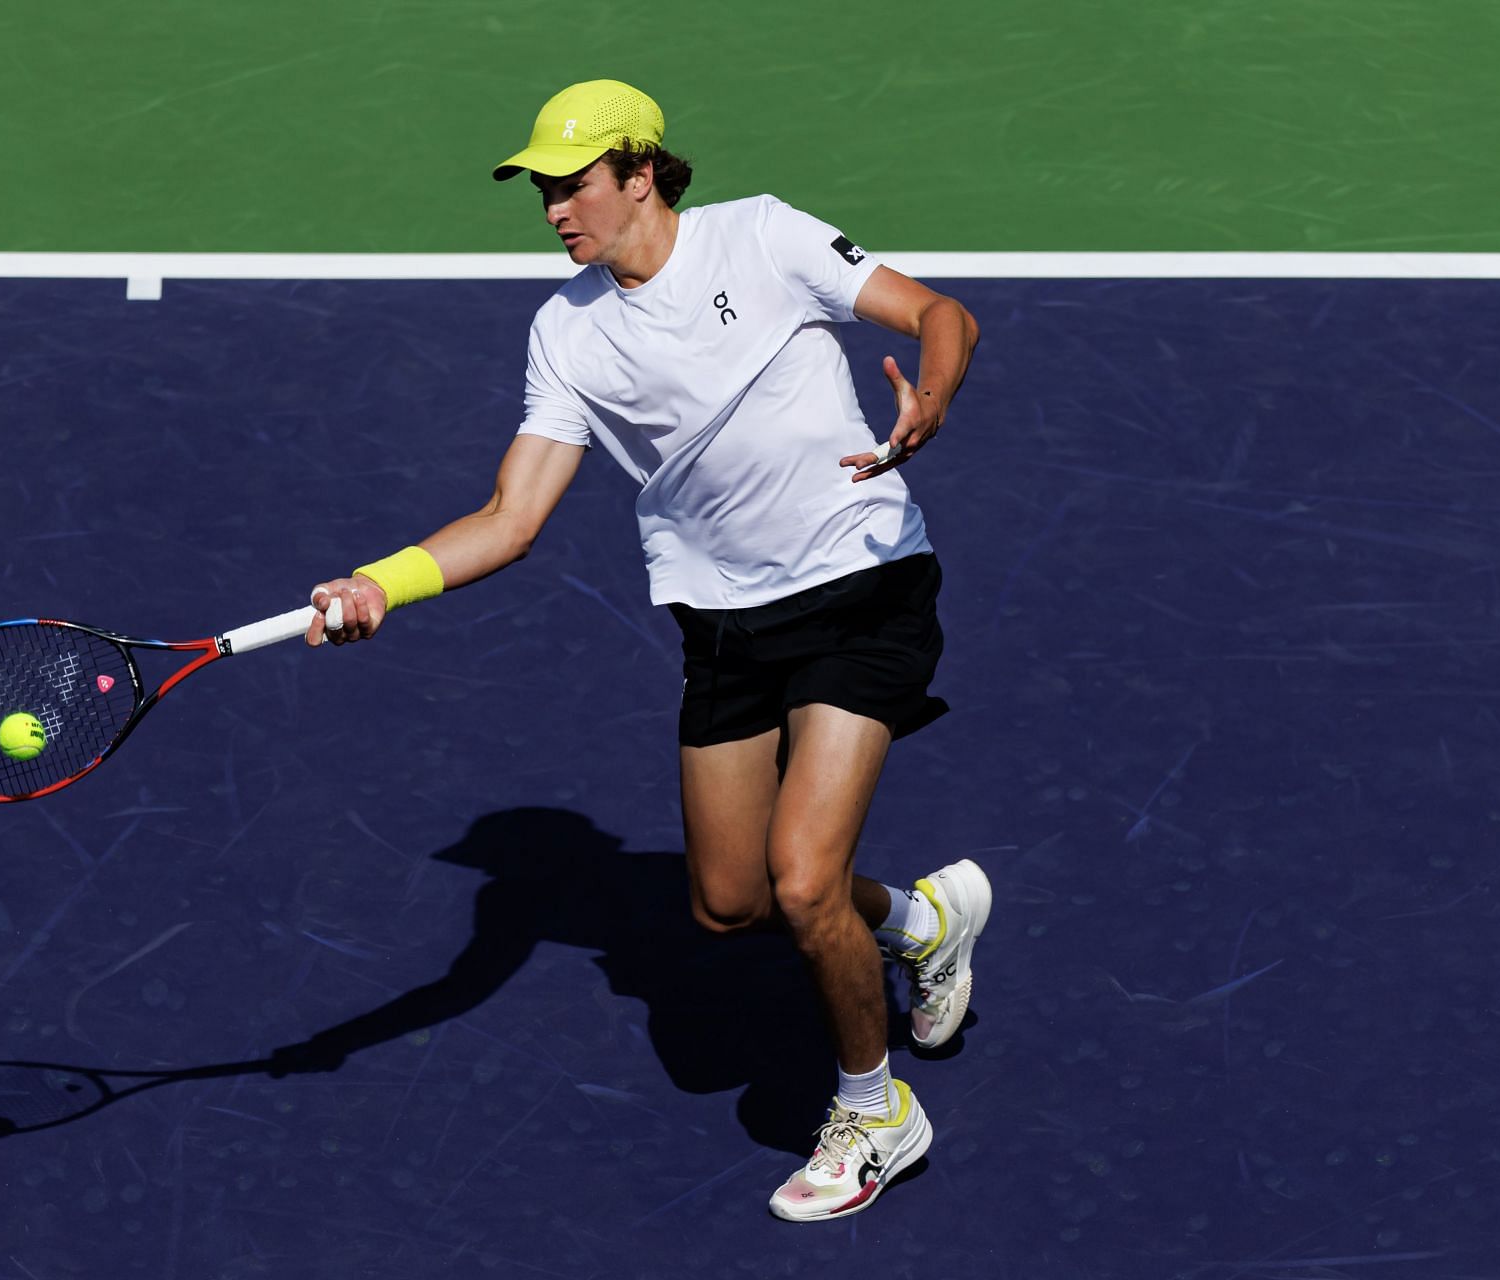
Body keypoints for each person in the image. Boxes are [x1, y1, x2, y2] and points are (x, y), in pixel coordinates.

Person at [304, 79, 993, 1222]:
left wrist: (932, 393)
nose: (554, 210)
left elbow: (941, 313)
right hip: (725, 620)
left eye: (571, 184)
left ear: (639, 171)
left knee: (802, 873)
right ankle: (919, 923)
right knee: (730, 903)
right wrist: (382, 582)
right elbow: (512, 516)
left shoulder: (763, 234)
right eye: (541, 191)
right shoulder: (566, 331)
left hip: (861, 577)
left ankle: (877, 1110)